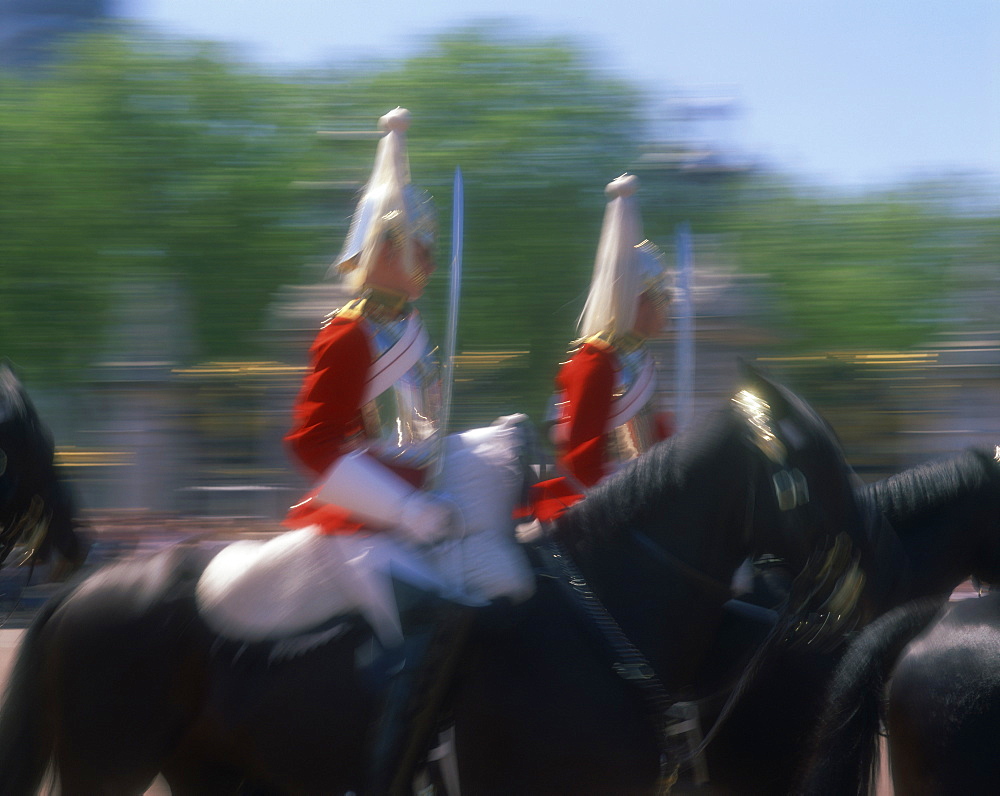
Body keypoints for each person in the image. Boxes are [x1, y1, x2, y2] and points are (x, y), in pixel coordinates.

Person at [280, 107, 533, 795]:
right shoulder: (346, 335)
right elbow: (314, 444)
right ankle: (383, 777)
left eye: (427, 245)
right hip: (358, 520)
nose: (427, 259)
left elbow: (421, 436)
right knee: (429, 629)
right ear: (380, 250)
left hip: (421, 504)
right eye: (415, 245)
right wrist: (404, 509)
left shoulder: (411, 328)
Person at [533, 174, 673, 521]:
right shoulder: (594, 363)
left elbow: (659, 442)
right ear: (636, 301)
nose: (667, 306)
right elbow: (582, 464)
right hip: (603, 509)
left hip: (646, 499)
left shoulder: (639, 357)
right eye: (661, 297)